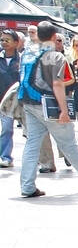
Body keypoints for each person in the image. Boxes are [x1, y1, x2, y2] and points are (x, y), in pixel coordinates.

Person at [17, 21, 78, 198]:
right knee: (69, 144)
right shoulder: (55, 56)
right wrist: (64, 110)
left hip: (29, 104)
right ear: (54, 37)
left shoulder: (27, 52)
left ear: (37, 35)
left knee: (32, 144)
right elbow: (57, 84)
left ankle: (27, 186)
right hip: (49, 105)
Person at [0, 30, 22, 167]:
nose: (4, 42)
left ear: (16, 42)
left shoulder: (23, 59)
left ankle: (5, 156)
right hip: (1, 98)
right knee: (6, 128)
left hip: (15, 101)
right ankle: (4, 156)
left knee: (9, 129)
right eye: (2, 40)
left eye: (7, 40)